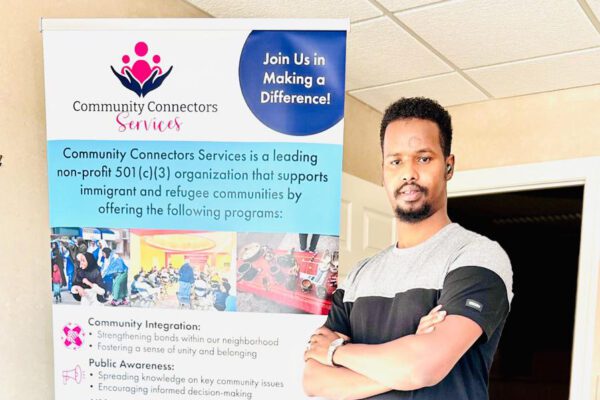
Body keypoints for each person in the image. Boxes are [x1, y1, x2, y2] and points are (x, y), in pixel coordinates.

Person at [303, 97, 513, 399]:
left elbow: (422, 368)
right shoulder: (360, 276)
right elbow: (314, 381)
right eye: (395, 160)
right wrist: (407, 356)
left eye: (424, 158)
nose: (408, 173)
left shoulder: (477, 257)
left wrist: (337, 351)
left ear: (448, 166)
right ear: (383, 170)